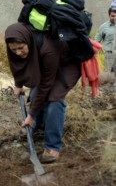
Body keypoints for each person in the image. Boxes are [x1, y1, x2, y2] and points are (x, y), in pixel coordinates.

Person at [5, 22, 81, 163]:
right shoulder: (19, 45)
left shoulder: (48, 48)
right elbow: (16, 63)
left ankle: (52, 146)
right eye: (14, 49)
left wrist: (31, 115)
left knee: (54, 100)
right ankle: (37, 127)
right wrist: (18, 84)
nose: (18, 52)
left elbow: (46, 85)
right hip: (47, 66)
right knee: (34, 96)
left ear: (27, 41)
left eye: (21, 48)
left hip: (67, 65)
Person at [94, 7, 116, 72]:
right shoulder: (104, 27)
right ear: (109, 15)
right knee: (109, 75)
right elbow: (96, 40)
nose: (115, 18)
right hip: (109, 55)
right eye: (113, 16)